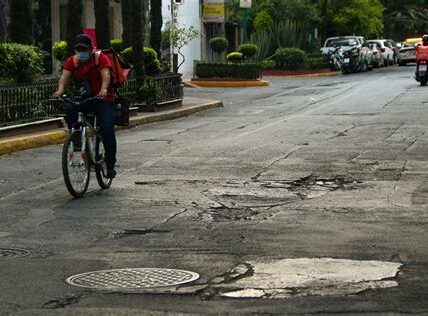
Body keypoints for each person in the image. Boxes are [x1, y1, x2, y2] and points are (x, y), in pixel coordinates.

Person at [52, 34, 117, 178]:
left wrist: (104, 89)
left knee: (106, 129)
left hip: (103, 99)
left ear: (91, 49)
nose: (81, 52)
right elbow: (64, 77)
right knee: (70, 108)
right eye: (78, 49)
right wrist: (60, 90)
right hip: (85, 98)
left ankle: (110, 164)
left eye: (84, 49)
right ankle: (76, 138)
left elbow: (106, 75)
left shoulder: (101, 58)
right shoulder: (73, 61)